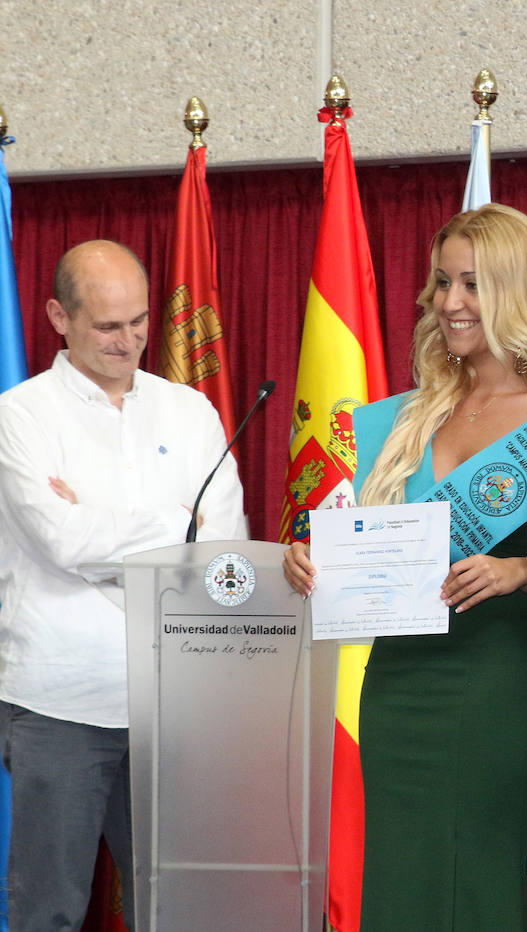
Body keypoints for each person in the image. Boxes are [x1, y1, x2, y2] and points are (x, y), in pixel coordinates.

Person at [283, 204, 527, 930]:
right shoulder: (403, 419)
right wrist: (312, 560)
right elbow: (365, 541)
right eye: (443, 283)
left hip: (496, 683)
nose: (451, 303)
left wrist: (522, 573)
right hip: (395, 686)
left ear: (519, 292)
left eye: (474, 284)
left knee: (474, 880)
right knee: (400, 881)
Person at [0, 239, 247, 931]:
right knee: (47, 908)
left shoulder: (190, 412)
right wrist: (175, 524)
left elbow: (221, 552)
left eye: (139, 321)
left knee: (175, 909)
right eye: (109, 325)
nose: (129, 339)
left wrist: (99, 527)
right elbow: (60, 541)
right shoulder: (19, 416)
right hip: (59, 701)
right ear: (58, 315)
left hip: (175, 701)